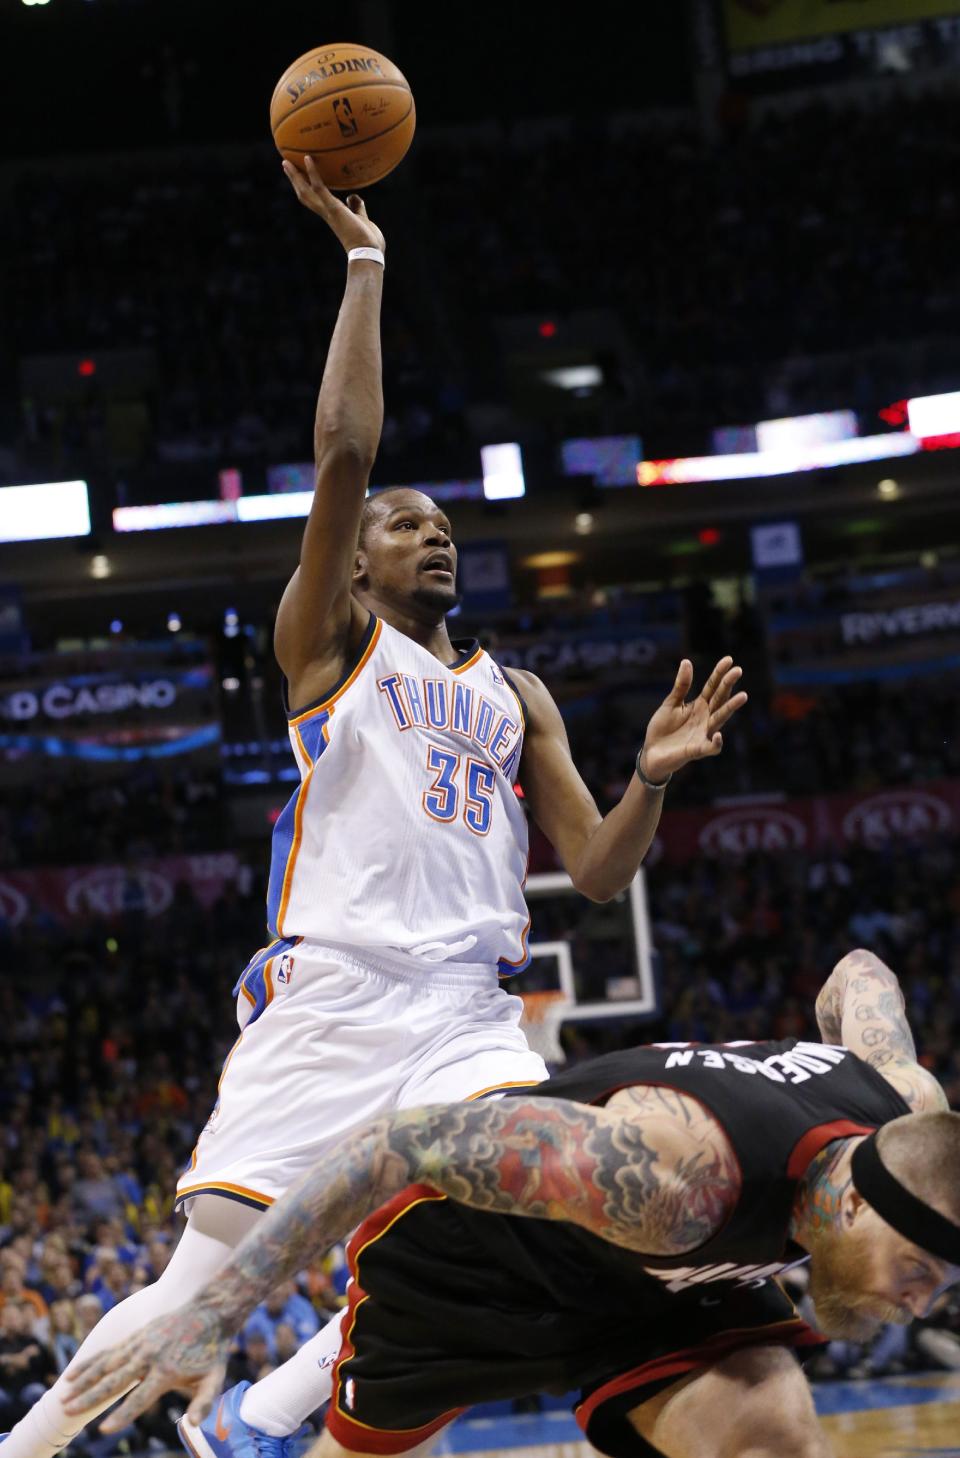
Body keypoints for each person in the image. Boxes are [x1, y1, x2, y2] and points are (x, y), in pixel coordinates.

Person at [3, 160, 746, 1458]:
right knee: (196, 1288)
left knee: (535, 1220)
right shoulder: (329, 644)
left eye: (445, 524)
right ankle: (30, 1445)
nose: (432, 535)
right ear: (353, 558)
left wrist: (652, 776)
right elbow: (344, 447)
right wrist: (365, 263)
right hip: (334, 996)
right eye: (404, 524)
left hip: (467, 1011)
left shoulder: (518, 692)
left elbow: (601, 869)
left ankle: (256, 1422)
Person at [62, 946, 959, 1458]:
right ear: (851, 1206)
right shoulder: (674, 1174)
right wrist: (213, 1317)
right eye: (917, 1270)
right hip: (477, 1259)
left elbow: (859, 971)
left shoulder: (907, 1118)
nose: (922, 1300)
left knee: (771, 1438)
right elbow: (393, 1144)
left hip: (660, 1282)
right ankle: (250, 1424)